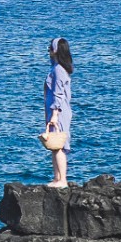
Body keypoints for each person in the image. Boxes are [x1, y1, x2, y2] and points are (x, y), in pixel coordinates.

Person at [43, 36, 73, 186]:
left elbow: (58, 94)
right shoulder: (56, 68)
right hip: (54, 111)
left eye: (50, 47)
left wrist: (55, 114)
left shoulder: (59, 70)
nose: (48, 50)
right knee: (54, 146)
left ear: (56, 50)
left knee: (59, 145)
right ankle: (57, 178)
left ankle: (62, 179)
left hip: (59, 112)